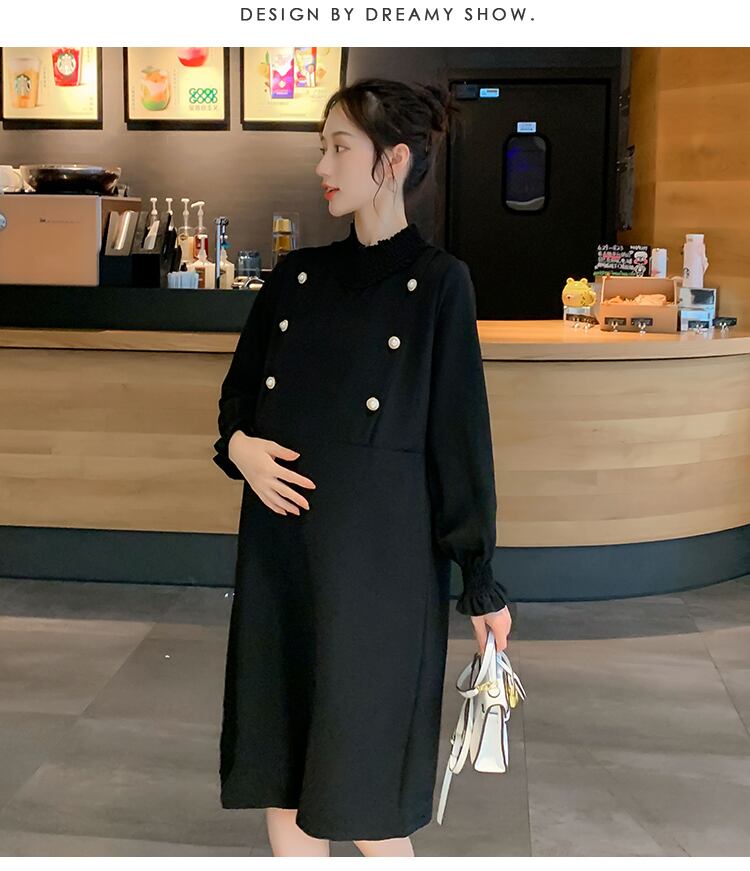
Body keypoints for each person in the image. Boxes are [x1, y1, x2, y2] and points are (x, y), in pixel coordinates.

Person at [212, 77, 513, 857]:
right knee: (282, 772)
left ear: (394, 160)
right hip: (282, 556)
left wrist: (480, 579)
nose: (323, 164)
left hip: (382, 569)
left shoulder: (440, 284)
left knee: (368, 792)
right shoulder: (295, 278)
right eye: (323, 146)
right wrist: (239, 448)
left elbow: (460, 438)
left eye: (340, 147)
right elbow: (237, 398)